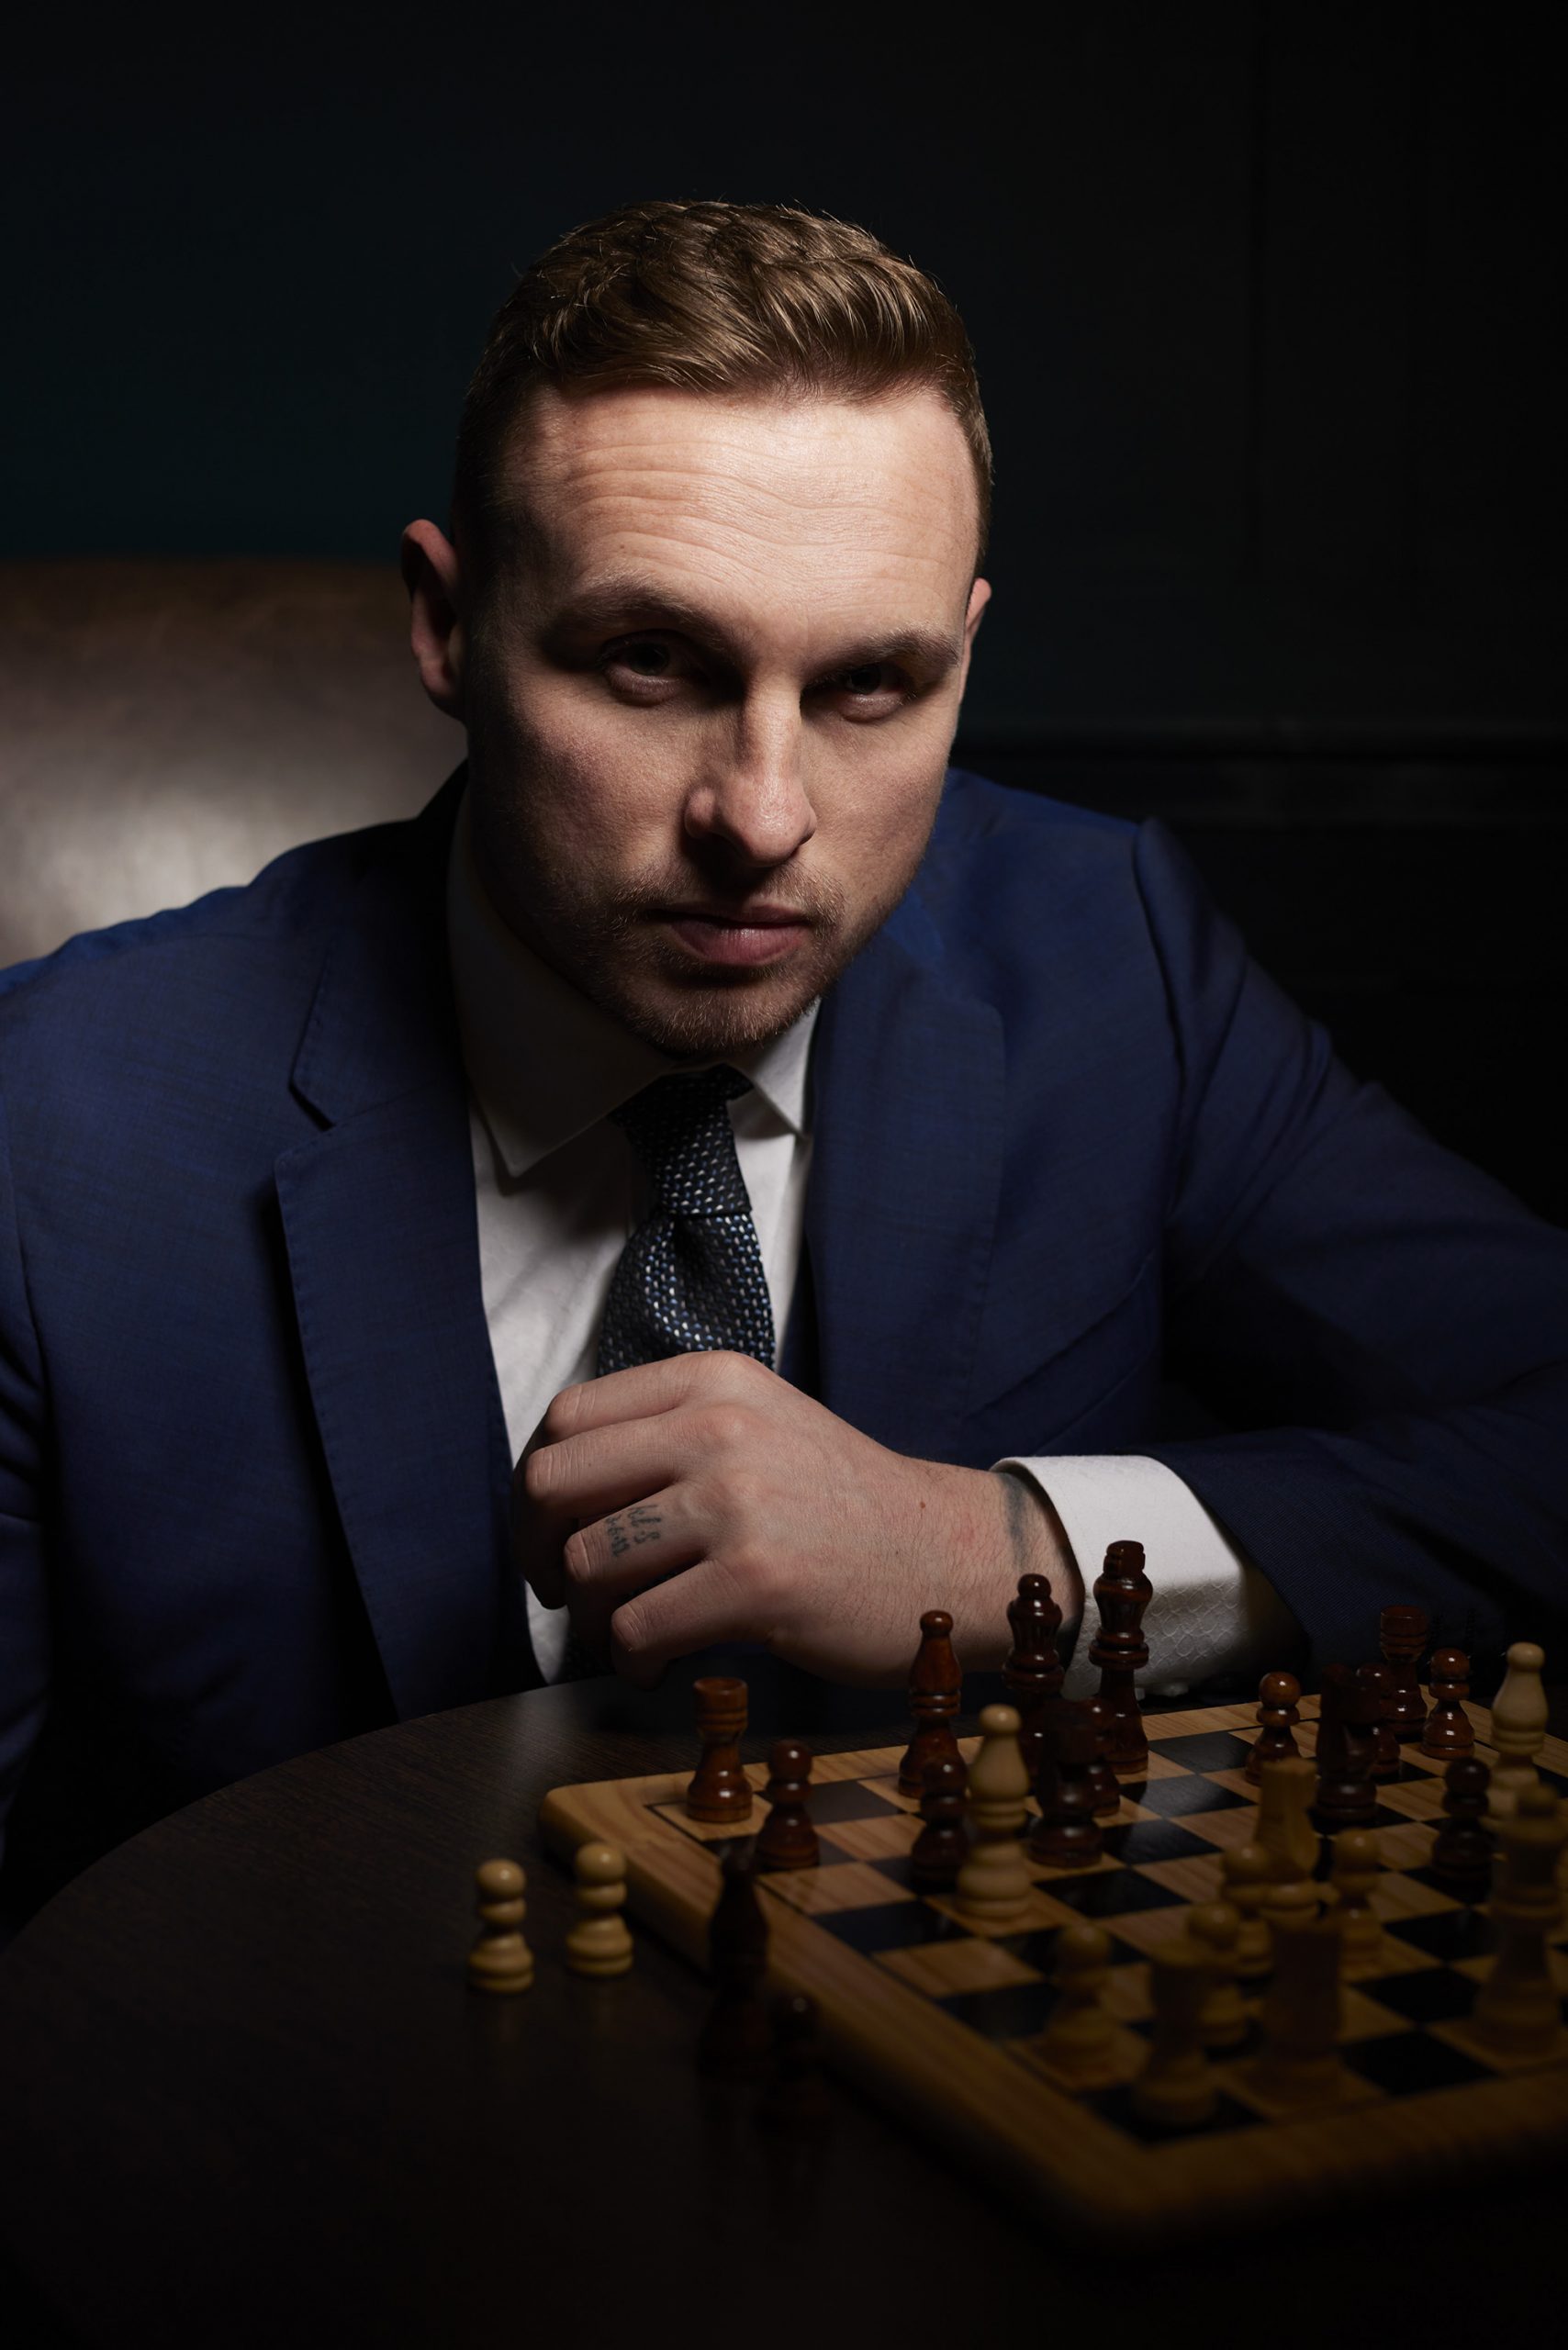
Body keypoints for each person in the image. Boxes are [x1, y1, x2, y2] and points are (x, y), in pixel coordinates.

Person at [2, 200, 1565, 1930]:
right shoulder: (55, 1123)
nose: (762, 815)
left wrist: (1010, 1558)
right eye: (651, 662)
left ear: (965, 648)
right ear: (448, 629)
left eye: (873, 685)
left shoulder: (1107, 961)